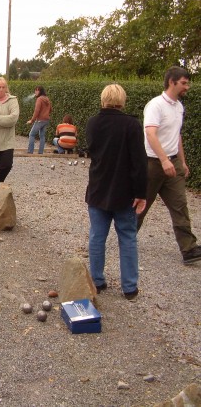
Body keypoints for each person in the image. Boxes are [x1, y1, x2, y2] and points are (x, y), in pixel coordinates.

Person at [85, 84, 147, 300]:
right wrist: (141, 193)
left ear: (103, 100)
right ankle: (129, 288)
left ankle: (98, 281)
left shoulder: (93, 123)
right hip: (125, 192)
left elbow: (92, 151)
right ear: (122, 100)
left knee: (97, 236)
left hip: (98, 188)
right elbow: (139, 162)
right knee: (128, 237)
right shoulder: (132, 124)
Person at [137, 66, 201, 265]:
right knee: (141, 205)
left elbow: (177, 134)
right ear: (172, 82)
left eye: (187, 83)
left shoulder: (179, 106)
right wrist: (164, 159)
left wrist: (181, 161)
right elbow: (150, 134)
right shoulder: (155, 105)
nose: (187, 87)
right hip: (152, 163)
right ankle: (127, 237)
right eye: (184, 83)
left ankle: (189, 249)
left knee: (180, 205)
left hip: (172, 162)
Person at [27, 86, 52, 154]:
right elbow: (51, 109)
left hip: (40, 120)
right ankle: (40, 152)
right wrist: (46, 114)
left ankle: (30, 151)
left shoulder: (39, 99)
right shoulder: (47, 99)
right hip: (46, 120)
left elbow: (36, 111)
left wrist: (32, 120)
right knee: (42, 136)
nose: (35, 92)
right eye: (35, 90)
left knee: (31, 134)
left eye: (37, 90)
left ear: (40, 91)